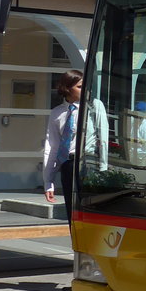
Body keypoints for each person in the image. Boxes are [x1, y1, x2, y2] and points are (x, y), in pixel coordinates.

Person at [42, 69, 108, 218]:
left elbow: (103, 138)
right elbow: (52, 147)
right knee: (72, 215)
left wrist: (103, 170)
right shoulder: (57, 113)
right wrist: (48, 182)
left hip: (88, 165)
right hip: (68, 165)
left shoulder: (94, 106)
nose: (84, 89)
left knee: (89, 214)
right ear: (67, 88)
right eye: (79, 86)